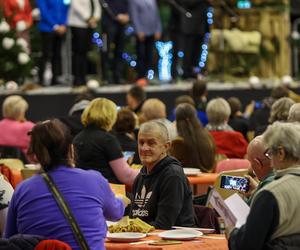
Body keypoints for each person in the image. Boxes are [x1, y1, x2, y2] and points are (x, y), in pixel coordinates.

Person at [4, 119, 126, 250]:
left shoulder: (23, 190)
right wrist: (122, 200)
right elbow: (116, 214)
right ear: (71, 149)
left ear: (34, 155)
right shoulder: (94, 179)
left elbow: (9, 238)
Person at [228, 122, 300, 250]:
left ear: (281, 154)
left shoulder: (270, 194)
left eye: (271, 153)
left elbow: (246, 245)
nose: (270, 160)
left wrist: (231, 232)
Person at [130, 121, 194, 229]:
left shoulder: (172, 176)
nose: (144, 148)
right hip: (145, 239)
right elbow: (132, 219)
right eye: (141, 142)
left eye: (151, 143)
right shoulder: (140, 176)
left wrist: (134, 229)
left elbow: (163, 225)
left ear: (166, 146)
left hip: (176, 241)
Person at [73, 98, 139, 185]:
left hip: (85, 189)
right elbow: (126, 176)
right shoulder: (107, 140)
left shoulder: (77, 138)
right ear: (110, 116)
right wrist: (147, 174)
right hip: (107, 190)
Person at [169, 103, 215, 172]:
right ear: (195, 117)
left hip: (186, 180)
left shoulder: (177, 143)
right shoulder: (208, 137)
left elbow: (172, 168)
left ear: (176, 121)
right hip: (209, 179)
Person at [68, 0, 101, 86]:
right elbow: (76, 6)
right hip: (78, 24)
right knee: (78, 52)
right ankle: (77, 78)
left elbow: (96, 6)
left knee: (85, 52)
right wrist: (88, 18)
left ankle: (83, 77)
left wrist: (95, 17)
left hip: (90, 25)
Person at [36, 0, 69, 86]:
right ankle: (41, 79)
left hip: (61, 29)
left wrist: (63, 24)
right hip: (47, 28)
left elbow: (65, 9)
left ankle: (55, 78)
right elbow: (44, 12)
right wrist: (55, 25)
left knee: (57, 54)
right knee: (46, 54)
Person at [128, 0, 162, 82]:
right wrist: (138, 30)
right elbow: (134, 16)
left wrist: (158, 29)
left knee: (149, 55)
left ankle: (148, 77)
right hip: (141, 32)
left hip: (152, 31)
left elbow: (156, 15)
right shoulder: (134, 1)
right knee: (141, 55)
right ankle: (140, 77)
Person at [101, 0, 130, 84]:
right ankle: (105, 77)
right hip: (109, 23)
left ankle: (118, 76)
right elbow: (103, 3)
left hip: (122, 24)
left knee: (120, 51)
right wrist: (116, 15)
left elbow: (128, 3)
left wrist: (127, 15)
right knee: (106, 50)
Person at [246, 136, 274, 204]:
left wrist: (257, 194)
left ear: (257, 164)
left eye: (251, 162)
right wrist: (257, 190)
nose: (250, 167)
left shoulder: (267, 188)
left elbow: (247, 213)